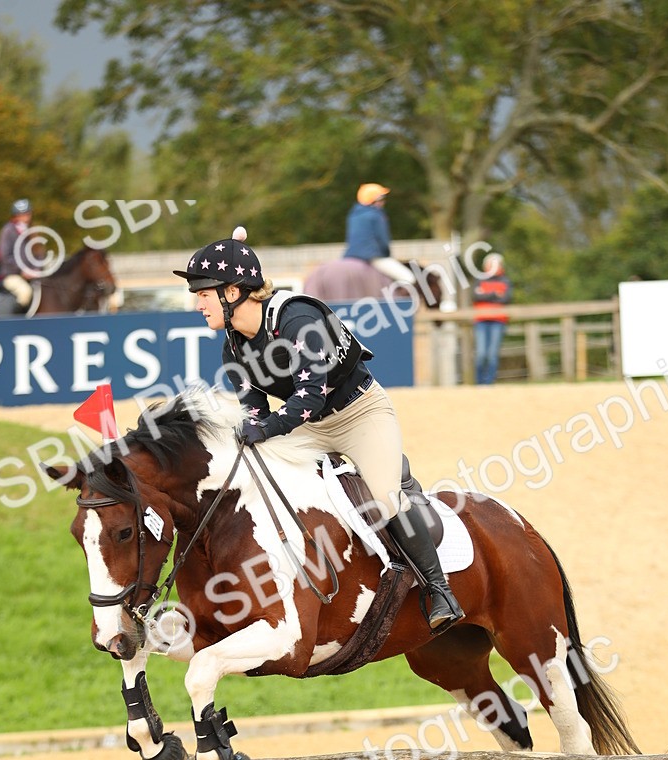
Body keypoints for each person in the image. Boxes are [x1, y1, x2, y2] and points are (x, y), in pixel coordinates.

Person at [173, 232, 465, 631]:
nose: (197, 303)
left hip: (360, 413)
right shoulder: (234, 347)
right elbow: (257, 412)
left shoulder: (297, 320)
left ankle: (439, 588)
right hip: (309, 426)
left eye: (203, 293)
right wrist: (248, 432)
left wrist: (267, 428)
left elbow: (308, 397)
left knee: (384, 497)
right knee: (256, 470)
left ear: (233, 291)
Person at [343, 184, 416, 287]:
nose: (383, 202)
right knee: (408, 278)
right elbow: (382, 240)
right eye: (381, 199)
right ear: (374, 200)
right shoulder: (376, 215)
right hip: (372, 257)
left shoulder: (353, 215)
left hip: (350, 256)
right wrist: (387, 255)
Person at [472, 252, 512, 385]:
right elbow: (476, 296)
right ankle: (479, 383)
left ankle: (489, 384)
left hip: (498, 321)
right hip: (481, 320)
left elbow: (506, 299)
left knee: (492, 355)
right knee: (481, 354)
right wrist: (495, 294)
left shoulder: (505, 281)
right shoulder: (480, 280)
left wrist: (486, 294)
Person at [0, 199, 37, 311]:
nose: (26, 217)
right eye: (22, 214)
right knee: (25, 293)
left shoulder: (32, 231)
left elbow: (38, 254)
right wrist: (22, 270)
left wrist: (37, 269)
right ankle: (17, 324)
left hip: (32, 275)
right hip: (11, 275)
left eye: (27, 213)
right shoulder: (8, 231)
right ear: (15, 216)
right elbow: (5, 256)